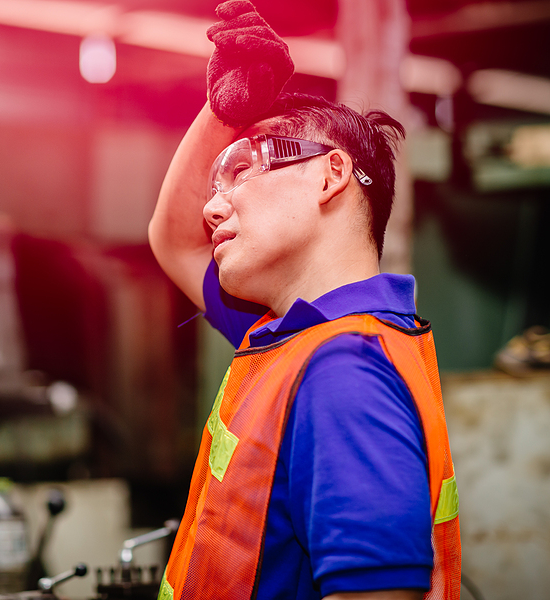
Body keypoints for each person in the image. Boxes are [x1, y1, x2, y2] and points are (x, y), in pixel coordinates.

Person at [148, 2, 461, 600]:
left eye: (243, 170)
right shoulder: (290, 339)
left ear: (330, 175)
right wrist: (222, 113)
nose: (211, 207)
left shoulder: (344, 371)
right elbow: (174, 239)